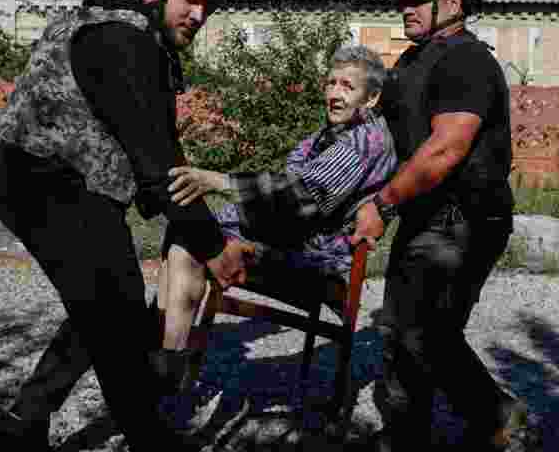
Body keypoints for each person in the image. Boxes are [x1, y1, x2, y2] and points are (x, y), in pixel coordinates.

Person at [0, 0, 253, 452]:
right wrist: (214, 248)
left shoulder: (121, 27)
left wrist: (187, 224)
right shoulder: (124, 43)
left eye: (209, 7)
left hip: (49, 182)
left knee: (99, 306)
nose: (199, 16)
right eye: (192, 0)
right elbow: (160, 167)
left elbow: (158, 162)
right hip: (49, 186)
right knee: (121, 314)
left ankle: (20, 427)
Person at [350, 0, 527, 452]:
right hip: (425, 213)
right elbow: (386, 133)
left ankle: (493, 413)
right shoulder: (413, 61)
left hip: (466, 218)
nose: (404, 10)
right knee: (403, 326)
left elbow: (445, 150)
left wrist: (382, 204)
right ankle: (405, 439)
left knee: (426, 330)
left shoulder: (467, 61)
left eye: (414, 1)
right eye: (400, 2)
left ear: (451, 4)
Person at [153, 44, 398, 393]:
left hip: (314, 257)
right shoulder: (331, 135)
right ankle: (165, 355)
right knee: (186, 232)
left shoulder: (363, 141)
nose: (334, 94)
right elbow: (289, 180)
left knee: (190, 243)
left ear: (371, 98)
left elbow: (300, 194)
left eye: (347, 86)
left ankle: (166, 361)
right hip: (291, 236)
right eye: (331, 84)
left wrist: (218, 181)